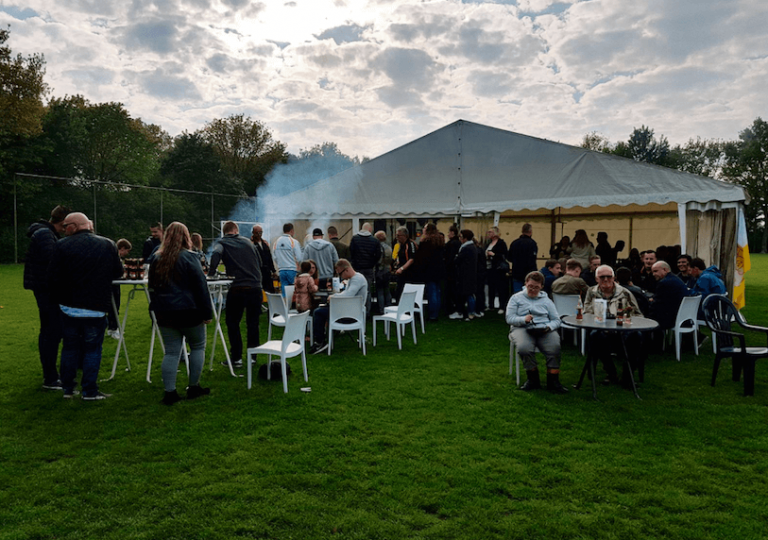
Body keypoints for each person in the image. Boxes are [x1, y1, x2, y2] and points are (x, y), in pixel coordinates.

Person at [48, 212, 124, 400]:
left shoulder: (61, 246)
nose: (64, 230)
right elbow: (118, 272)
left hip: (68, 306)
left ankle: (67, 388)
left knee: (69, 348)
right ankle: (89, 390)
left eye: (66, 226)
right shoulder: (108, 244)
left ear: (74, 226)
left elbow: (52, 276)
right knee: (92, 350)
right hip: (96, 307)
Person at [148, 222, 213, 405]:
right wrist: (207, 312)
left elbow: (151, 287)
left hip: (165, 312)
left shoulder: (156, 258)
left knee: (171, 352)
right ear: (186, 237)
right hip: (189, 311)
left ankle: (170, 392)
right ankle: (193, 387)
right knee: (198, 347)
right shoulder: (190, 257)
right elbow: (201, 287)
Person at [23, 204, 70, 390]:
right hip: (47, 291)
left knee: (52, 332)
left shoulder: (44, 233)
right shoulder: (45, 235)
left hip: (45, 289)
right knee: (51, 333)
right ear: (63, 222)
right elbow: (53, 264)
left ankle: (52, 374)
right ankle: (50, 377)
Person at [208, 221, 263, 368]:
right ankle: (252, 357)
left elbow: (215, 254)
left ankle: (236, 358)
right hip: (256, 287)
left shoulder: (222, 242)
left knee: (233, 323)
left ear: (224, 232)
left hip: (238, 287)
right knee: (253, 323)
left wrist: (211, 273)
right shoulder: (248, 242)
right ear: (236, 230)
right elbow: (260, 261)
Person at [506, 271, 567, 393]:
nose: (532, 290)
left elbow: (556, 320)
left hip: (543, 328)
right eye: (530, 286)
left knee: (554, 347)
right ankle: (533, 379)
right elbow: (509, 318)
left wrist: (548, 327)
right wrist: (523, 319)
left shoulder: (547, 301)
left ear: (541, 287)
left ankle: (553, 381)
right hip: (522, 328)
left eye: (536, 287)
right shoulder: (516, 298)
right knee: (524, 348)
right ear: (525, 284)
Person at [583, 265, 643, 388]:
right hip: (601, 328)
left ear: (614, 278)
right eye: (602, 277)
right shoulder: (591, 292)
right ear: (596, 279)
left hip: (623, 329)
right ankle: (611, 372)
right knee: (596, 336)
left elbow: (638, 314)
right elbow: (587, 313)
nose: (606, 279)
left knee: (636, 336)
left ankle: (627, 377)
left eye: (609, 276)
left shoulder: (625, 292)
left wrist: (627, 319)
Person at [309, 259, 369, 354]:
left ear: (347, 270)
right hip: (350, 311)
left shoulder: (357, 279)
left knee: (318, 312)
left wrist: (333, 296)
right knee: (321, 309)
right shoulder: (354, 279)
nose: (340, 277)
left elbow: (348, 295)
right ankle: (321, 338)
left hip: (351, 315)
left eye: (340, 274)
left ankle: (319, 341)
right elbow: (347, 293)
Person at [411, 223, 445, 320]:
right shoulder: (440, 241)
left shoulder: (426, 242)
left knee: (432, 292)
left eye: (424, 228)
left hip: (429, 270)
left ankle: (432, 314)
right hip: (439, 269)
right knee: (437, 291)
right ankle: (436, 312)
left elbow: (422, 258)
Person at [349, 222, 381, 315]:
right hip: (368, 269)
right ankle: (366, 311)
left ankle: (355, 311)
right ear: (370, 230)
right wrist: (372, 263)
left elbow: (351, 252)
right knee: (367, 290)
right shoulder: (375, 241)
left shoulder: (355, 239)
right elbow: (378, 255)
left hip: (357, 269)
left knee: (355, 289)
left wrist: (354, 263)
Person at [648, 261, 690, 331]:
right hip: (682, 316)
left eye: (656, 271)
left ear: (665, 270)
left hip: (671, 318)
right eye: (653, 272)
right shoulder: (675, 279)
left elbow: (657, 305)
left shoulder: (664, 283)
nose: (653, 274)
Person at [449, 229, 478, 321]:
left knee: (467, 294)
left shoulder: (466, 248)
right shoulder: (472, 247)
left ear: (465, 238)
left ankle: (468, 313)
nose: (460, 238)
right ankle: (470, 312)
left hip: (465, 275)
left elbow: (457, 260)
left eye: (461, 237)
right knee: (469, 294)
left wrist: (456, 257)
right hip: (470, 274)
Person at [106, 238, 132, 340]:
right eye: (127, 251)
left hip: (110, 284)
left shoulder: (111, 256)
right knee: (114, 306)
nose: (127, 253)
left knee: (113, 306)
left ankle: (111, 328)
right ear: (122, 248)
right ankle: (113, 329)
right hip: (113, 285)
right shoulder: (114, 257)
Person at [507, 223, 538, 295]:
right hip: (529, 273)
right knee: (529, 293)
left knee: (517, 294)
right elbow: (532, 259)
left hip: (516, 272)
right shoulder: (532, 243)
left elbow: (509, 257)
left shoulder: (514, 243)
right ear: (530, 232)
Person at [485, 226, 509, 314]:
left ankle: (501, 306)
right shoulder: (488, 243)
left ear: (495, 233)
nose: (489, 234)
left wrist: (494, 254)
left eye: (490, 232)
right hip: (489, 268)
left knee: (500, 287)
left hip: (498, 268)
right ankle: (491, 305)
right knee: (491, 287)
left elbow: (504, 255)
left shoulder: (501, 243)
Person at [273, 222, 303, 288]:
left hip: (281, 270)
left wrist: (281, 264)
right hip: (292, 270)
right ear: (292, 231)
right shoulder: (294, 241)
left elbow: (275, 257)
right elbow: (299, 257)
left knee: (284, 292)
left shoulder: (276, 242)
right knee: (293, 291)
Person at [393, 226, 417, 301]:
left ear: (405, 236)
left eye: (398, 235)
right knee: (398, 293)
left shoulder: (410, 244)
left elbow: (411, 259)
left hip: (409, 274)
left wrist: (402, 268)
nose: (397, 237)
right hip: (402, 274)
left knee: (406, 293)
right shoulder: (400, 245)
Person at [443, 224, 462, 317]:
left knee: (450, 291)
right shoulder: (459, 243)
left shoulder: (451, 244)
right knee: (455, 291)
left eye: (449, 232)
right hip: (456, 271)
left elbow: (448, 258)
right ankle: (456, 308)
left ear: (452, 233)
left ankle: (451, 309)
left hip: (450, 271)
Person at [251, 224, 277, 293]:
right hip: (257, 271)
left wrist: (273, 271)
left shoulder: (265, 243)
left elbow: (269, 257)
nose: (259, 235)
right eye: (257, 233)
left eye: (260, 232)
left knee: (270, 290)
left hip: (267, 271)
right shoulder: (251, 244)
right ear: (253, 233)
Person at [374, 230, 393, 314]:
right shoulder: (389, 247)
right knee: (387, 289)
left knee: (380, 291)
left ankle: (381, 309)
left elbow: (378, 260)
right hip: (387, 270)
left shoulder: (378, 248)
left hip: (380, 271)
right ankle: (389, 307)